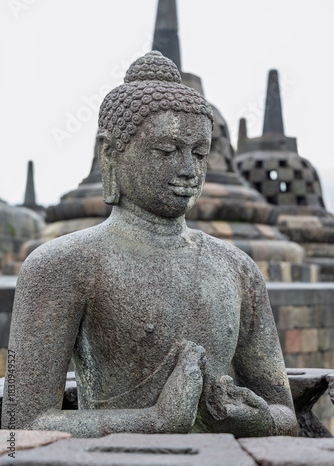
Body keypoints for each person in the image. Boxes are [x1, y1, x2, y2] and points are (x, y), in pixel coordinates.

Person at [1, 52, 298, 438]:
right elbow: (17, 431)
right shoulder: (63, 265)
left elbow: (286, 416)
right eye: (166, 151)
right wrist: (154, 421)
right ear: (110, 154)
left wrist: (257, 420)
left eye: (199, 153)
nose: (189, 170)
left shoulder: (237, 269)